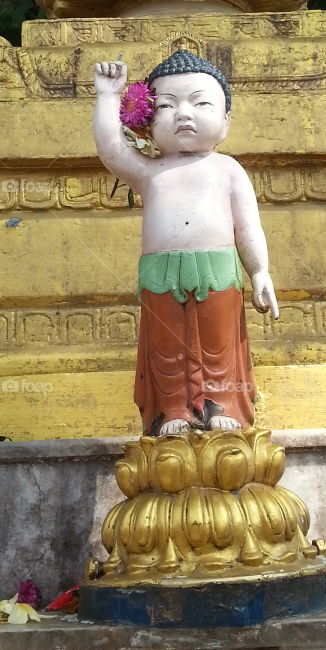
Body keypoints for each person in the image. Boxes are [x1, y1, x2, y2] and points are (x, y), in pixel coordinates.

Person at [92, 49, 278, 436]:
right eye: (168, 104)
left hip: (218, 270)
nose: (183, 113)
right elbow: (111, 150)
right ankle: (173, 408)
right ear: (146, 122)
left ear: (225, 122)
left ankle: (221, 402)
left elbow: (248, 227)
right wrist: (109, 97)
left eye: (200, 102)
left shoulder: (227, 169)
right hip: (161, 272)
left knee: (219, 342)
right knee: (167, 344)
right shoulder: (149, 171)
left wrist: (260, 271)